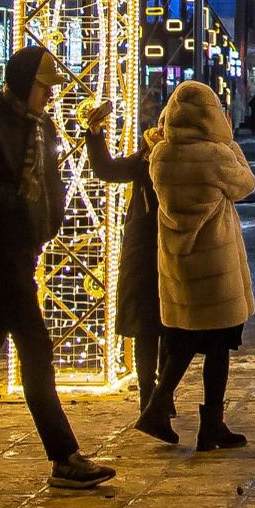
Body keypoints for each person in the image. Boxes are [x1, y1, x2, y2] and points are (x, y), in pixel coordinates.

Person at [0, 48, 120, 489]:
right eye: (43, 87)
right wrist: (13, 196)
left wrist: (50, 218)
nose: (49, 96)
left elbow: (50, 179)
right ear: (22, 84)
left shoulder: (41, 125)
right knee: (35, 348)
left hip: (25, 249)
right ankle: (64, 456)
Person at [139, 80, 255, 449]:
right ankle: (210, 426)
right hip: (215, 266)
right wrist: (231, 144)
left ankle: (158, 407)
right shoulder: (216, 155)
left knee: (184, 339)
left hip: (179, 263)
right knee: (218, 345)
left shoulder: (160, 155)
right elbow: (246, 185)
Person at [81, 95, 169, 430]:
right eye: (160, 122)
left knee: (168, 327)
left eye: (167, 123)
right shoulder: (147, 157)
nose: (161, 128)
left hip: (169, 247)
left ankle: (160, 397)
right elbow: (106, 169)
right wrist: (94, 133)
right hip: (146, 249)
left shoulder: (174, 156)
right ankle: (150, 398)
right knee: (149, 326)